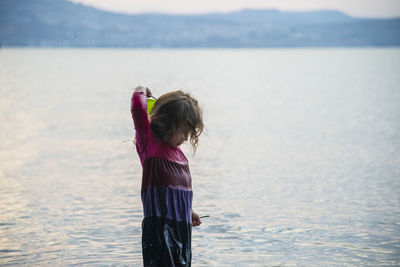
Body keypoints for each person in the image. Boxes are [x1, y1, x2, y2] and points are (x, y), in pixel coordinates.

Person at [130, 85, 204, 266]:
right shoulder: (149, 144)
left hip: (182, 230)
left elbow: (176, 193)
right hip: (159, 229)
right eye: (184, 131)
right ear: (169, 124)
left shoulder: (179, 156)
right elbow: (138, 109)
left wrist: (188, 211)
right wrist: (143, 91)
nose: (186, 138)